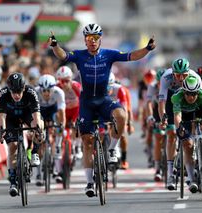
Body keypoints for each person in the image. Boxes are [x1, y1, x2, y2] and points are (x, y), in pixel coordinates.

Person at [48, 23, 155, 197]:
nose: (92, 41)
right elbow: (63, 55)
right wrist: (54, 45)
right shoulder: (79, 55)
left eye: (95, 38)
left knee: (121, 115)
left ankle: (113, 148)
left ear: (100, 39)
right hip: (87, 103)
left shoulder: (108, 54)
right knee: (88, 142)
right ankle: (90, 183)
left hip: (104, 100)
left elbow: (132, 56)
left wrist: (147, 49)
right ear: (85, 40)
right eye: (89, 38)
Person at [0, 72, 44, 197]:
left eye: (19, 92)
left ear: (24, 88)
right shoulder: (3, 94)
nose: (16, 95)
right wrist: (1, 131)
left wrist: (38, 130)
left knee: (39, 126)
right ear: (9, 89)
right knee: (13, 146)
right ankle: (12, 182)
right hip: (10, 118)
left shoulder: (31, 92)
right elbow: (1, 116)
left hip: (27, 114)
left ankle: (34, 152)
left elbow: (36, 115)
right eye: (13, 92)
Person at [158, 58, 202, 191]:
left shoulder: (196, 78)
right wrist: (163, 118)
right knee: (171, 133)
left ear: (189, 73)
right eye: (178, 75)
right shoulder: (166, 78)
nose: (181, 78)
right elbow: (162, 102)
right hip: (172, 103)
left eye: (184, 75)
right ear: (173, 73)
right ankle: (170, 173)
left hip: (189, 102)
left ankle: (193, 166)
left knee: (191, 135)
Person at [172, 75, 202, 193]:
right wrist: (179, 127)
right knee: (188, 145)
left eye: (194, 94)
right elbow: (177, 116)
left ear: (198, 92)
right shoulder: (177, 97)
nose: (191, 97)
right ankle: (191, 179)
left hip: (199, 111)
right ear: (184, 92)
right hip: (184, 114)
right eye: (188, 93)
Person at [35, 74, 66, 185]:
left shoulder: (59, 93)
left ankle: (57, 166)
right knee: (39, 138)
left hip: (53, 111)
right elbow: (33, 113)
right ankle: (38, 173)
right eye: (44, 91)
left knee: (57, 127)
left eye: (49, 91)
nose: (46, 93)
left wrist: (62, 126)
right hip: (40, 111)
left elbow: (62, 112)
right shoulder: (35, 92)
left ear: (53, 89)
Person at [56, 65, 83, 160]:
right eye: (61, 81)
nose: (64, 84)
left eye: (67, 81)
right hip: (63, 112)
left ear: (71, 79)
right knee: (59, 128)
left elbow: (83, 102)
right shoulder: (56, 87)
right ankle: (58, 146)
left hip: (75, 111)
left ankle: (78, 146)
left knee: (79, 126)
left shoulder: (76, 86)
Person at [145, 69, 166, 181]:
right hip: (157, 111)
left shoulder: (172, 84)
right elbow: (148, 104)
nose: (160, 85)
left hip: (171, 110)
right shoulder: (152, 86)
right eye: (159, 83)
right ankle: (157, 169)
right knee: (158, 139)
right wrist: (150, 117)